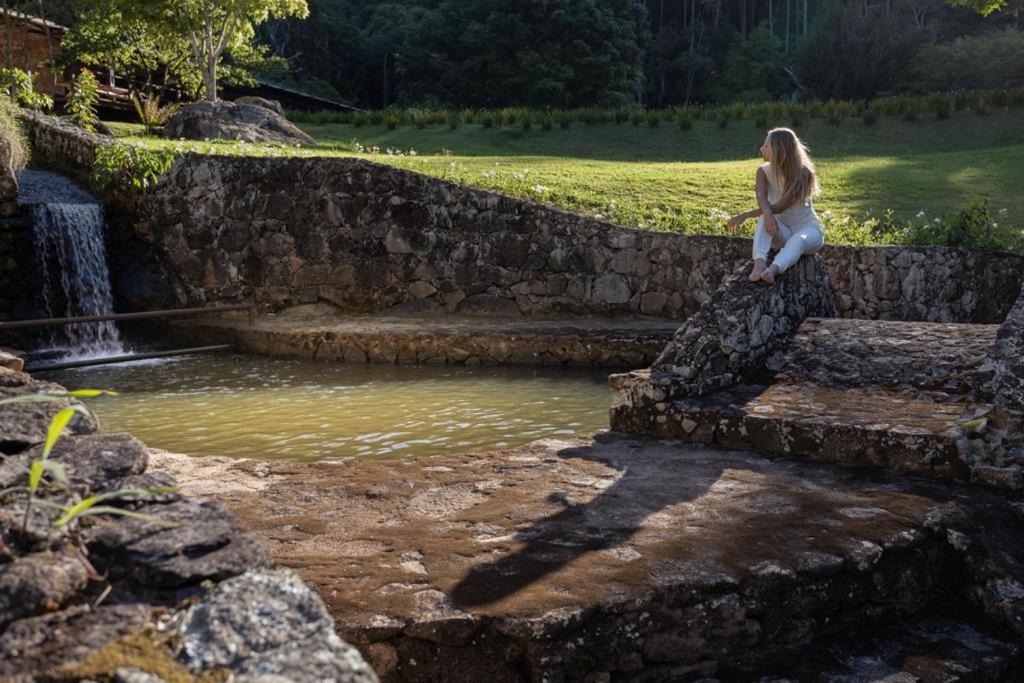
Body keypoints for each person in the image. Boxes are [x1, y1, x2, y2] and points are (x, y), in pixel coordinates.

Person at [726, 127, 825, 284]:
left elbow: (781, 206)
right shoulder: (763, 171)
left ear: (780, 149)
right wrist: (767, 214)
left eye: (766, 146)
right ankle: (759, 262)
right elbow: (761, 197)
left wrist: (745, 215)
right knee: (766, 217)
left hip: (809, 231)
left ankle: (773, 269)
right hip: (783, 232)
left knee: (798, 239)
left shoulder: (804, 174)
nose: (761, 149)